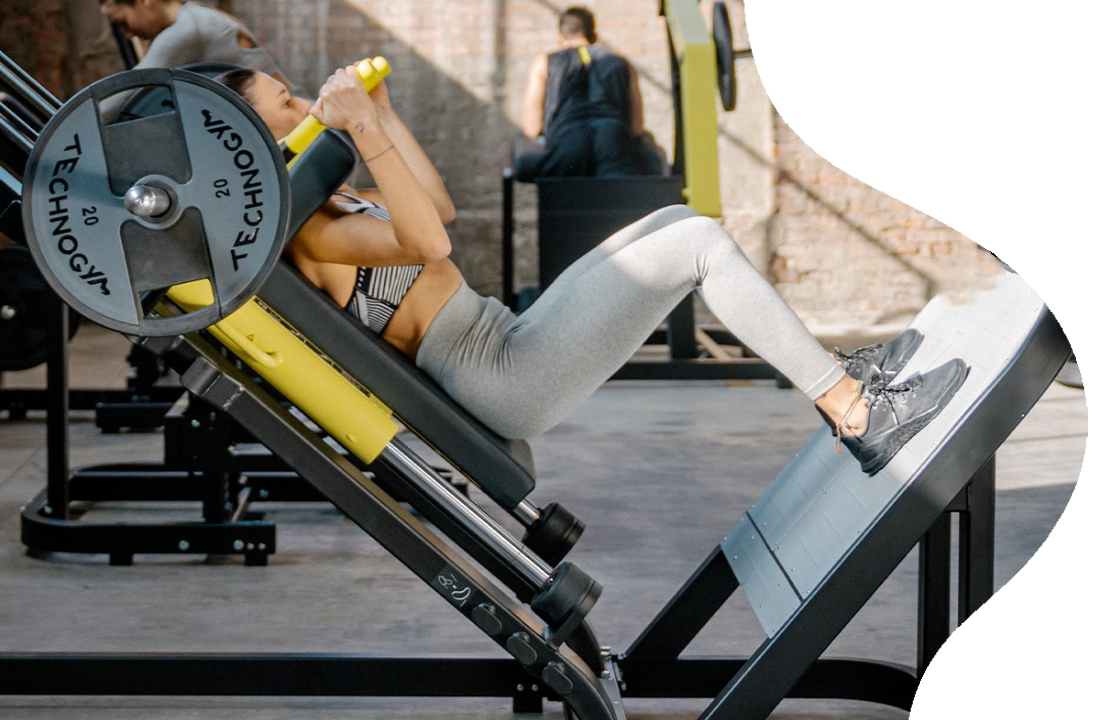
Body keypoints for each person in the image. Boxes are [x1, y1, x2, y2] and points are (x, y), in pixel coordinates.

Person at [215, 64, 969, 476]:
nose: (304, 99)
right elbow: (432, 248)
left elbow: (435, 210)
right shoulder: (311, 235)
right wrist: (366, 127)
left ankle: (836, 375)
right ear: (258, 137)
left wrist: (382, 107)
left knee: (673, 222)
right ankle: (856, 411)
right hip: (499, 375)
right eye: (287, 100)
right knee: (699, 243)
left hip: (502, 334)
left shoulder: (332, 199)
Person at [513, 6, 661, 181]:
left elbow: (532, 128)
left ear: (559, 38)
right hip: (613, 142)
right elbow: (636, 128)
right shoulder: (622, 64)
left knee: (521, 147)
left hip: (567, 147)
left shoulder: (543, 63)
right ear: (594, 37)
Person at [99, 0, 288, 83]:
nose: (128, 34)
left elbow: (125, 92)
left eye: (123, 22)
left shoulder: (187, 31)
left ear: (144, 1)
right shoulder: (197, 15)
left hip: (295, 130)